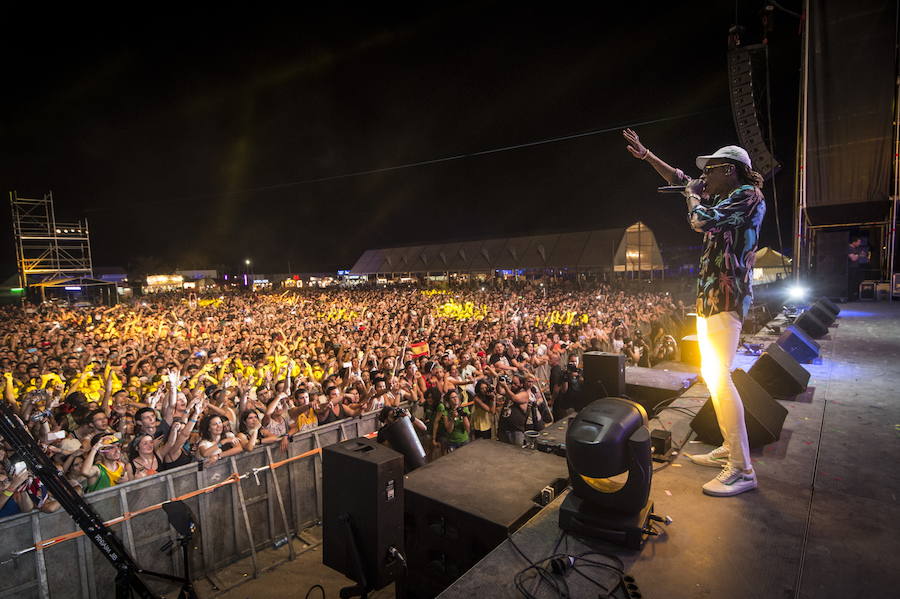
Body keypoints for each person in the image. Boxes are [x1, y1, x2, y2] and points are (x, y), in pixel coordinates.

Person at [624, 128, 765, 497]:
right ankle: (730, 449)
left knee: (719, 377)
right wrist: (648, 156)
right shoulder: (726, 194)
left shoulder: (747, 195)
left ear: (729, 170)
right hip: (711, 297)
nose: (704, 177)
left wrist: (692, 193)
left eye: (710, 171)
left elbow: (699, 219)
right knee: (713, 376)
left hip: (727, 296)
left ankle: (742, 469)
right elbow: (681, 179)